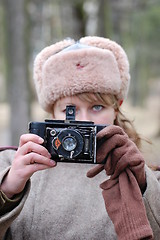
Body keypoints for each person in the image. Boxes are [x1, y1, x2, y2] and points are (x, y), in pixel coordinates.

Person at [0, 36, 160, 240]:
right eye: (70, 110)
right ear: (53, 113)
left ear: (117, 107)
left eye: (97, 107)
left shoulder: (143, 175)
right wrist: (7, 190)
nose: (83, 120)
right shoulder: (11, 165)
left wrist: (141, 185)